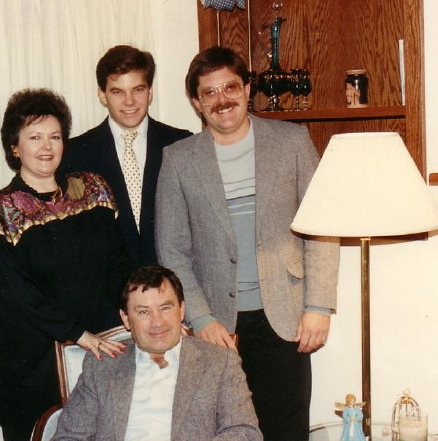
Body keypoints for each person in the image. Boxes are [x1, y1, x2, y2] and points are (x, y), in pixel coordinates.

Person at [155, 46, 340, 441]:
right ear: (196, 102)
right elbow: (172, 250)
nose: (222, 100)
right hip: (218, 327)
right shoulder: (178, 160)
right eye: (210, 92)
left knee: (285, 431)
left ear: (247, 88)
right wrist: (201, 319)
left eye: (230, 87)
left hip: (285, 319)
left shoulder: (292, 141)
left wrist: (319, 306)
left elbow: (321, 228)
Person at [0, 88, 130, 441]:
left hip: (99, 349)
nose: (46, 146)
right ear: (15, 147)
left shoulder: (94, 189)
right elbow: (15, 291)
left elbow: (120, 263)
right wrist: (75, 333)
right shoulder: (1, 208)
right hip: (32, 363)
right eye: (34, 137)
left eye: (55, 136)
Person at [52, 265, 263, 441]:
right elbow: (69, 437)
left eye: (165, 308)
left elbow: (244, 432)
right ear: (126, 319)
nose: (157, 322)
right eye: (143, 311)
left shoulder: (219, 361)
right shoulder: (102, 365)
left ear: (181, 310)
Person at [63, 45, 192, 268]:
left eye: (138, 89)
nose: (129, 101)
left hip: (170, 286)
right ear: (102, 95)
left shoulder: (181, 144)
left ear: (150, 92)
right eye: (117, 92)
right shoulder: (76, 153)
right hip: (108, 294)